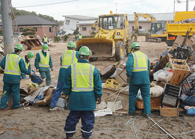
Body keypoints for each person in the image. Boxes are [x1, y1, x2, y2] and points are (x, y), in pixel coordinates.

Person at [63, 46, 102, 139]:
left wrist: (67, 95)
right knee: (88, 119)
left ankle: (69, 136)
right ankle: (86, 136)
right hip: (89, 99)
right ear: (88, 57)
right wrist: (99, 96)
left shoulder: (71, 68)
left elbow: (66, 85)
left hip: (75, 98)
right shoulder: (93, 69)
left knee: (72, 118)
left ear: (78, 56)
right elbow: (98, 86)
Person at [0, 44, 33, 110]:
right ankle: (16, 105)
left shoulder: (7, 56)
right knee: (15, 92)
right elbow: (23, 69)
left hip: (7, 78)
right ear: (20, 51)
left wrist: (6, 68)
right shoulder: (19, 59)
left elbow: (2, 64)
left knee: (6, 92)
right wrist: (30, 73)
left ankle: (2, 105)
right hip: (15, 79)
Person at [49, 41, 78, 110]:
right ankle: (69, 105)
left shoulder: (63, 54)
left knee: (59, 89)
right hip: (70, 72)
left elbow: (61, 63)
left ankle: (52, 105)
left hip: (62, 72)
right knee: (71, 89)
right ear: (73, 48)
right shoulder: (76, 53)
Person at [126, 42, 151, 116]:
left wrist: (129, 76)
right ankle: (147, 113)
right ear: (139, 48)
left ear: (132, 49)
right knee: (146, 95)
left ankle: (131, 112)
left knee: (132, 95)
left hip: (135, 78)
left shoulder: (132, 55)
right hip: (145, 78)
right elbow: (148, 67)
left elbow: (129, 66)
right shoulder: (145, 56)